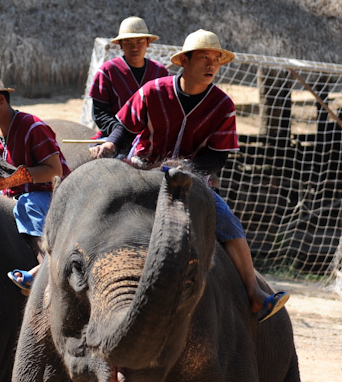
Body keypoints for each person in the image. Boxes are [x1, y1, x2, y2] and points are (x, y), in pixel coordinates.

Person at [90, 29, 289, 322]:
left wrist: (190, 169)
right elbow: (126, 128)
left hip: (191, 180)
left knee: (229, 224)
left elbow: (219, 156)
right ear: (184, 61)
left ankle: (254, 293)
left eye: (216, 60)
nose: (211, 65)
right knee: (97, 207)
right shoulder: (152, 91)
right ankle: (49, 272)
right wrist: (110, 143)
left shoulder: (223, 105)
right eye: (204, 58)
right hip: (143, 170)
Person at [0, 70, 70, 294]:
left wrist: (16, 177)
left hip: (50, 195)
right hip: (11, 196)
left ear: (0, 100)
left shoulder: (33, 127)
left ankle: (45, 271)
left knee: (26, 205)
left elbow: (54, 171)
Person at [89, 16, 169, 137]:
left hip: (152, 136)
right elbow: (99, 113)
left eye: (140, 41)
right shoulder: (107, 71)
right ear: (120, 45)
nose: (134, 47)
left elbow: (168, 109)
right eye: (128, 42)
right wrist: (120, 132)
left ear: (148, 43)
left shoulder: (160, 73)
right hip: (116, 135)